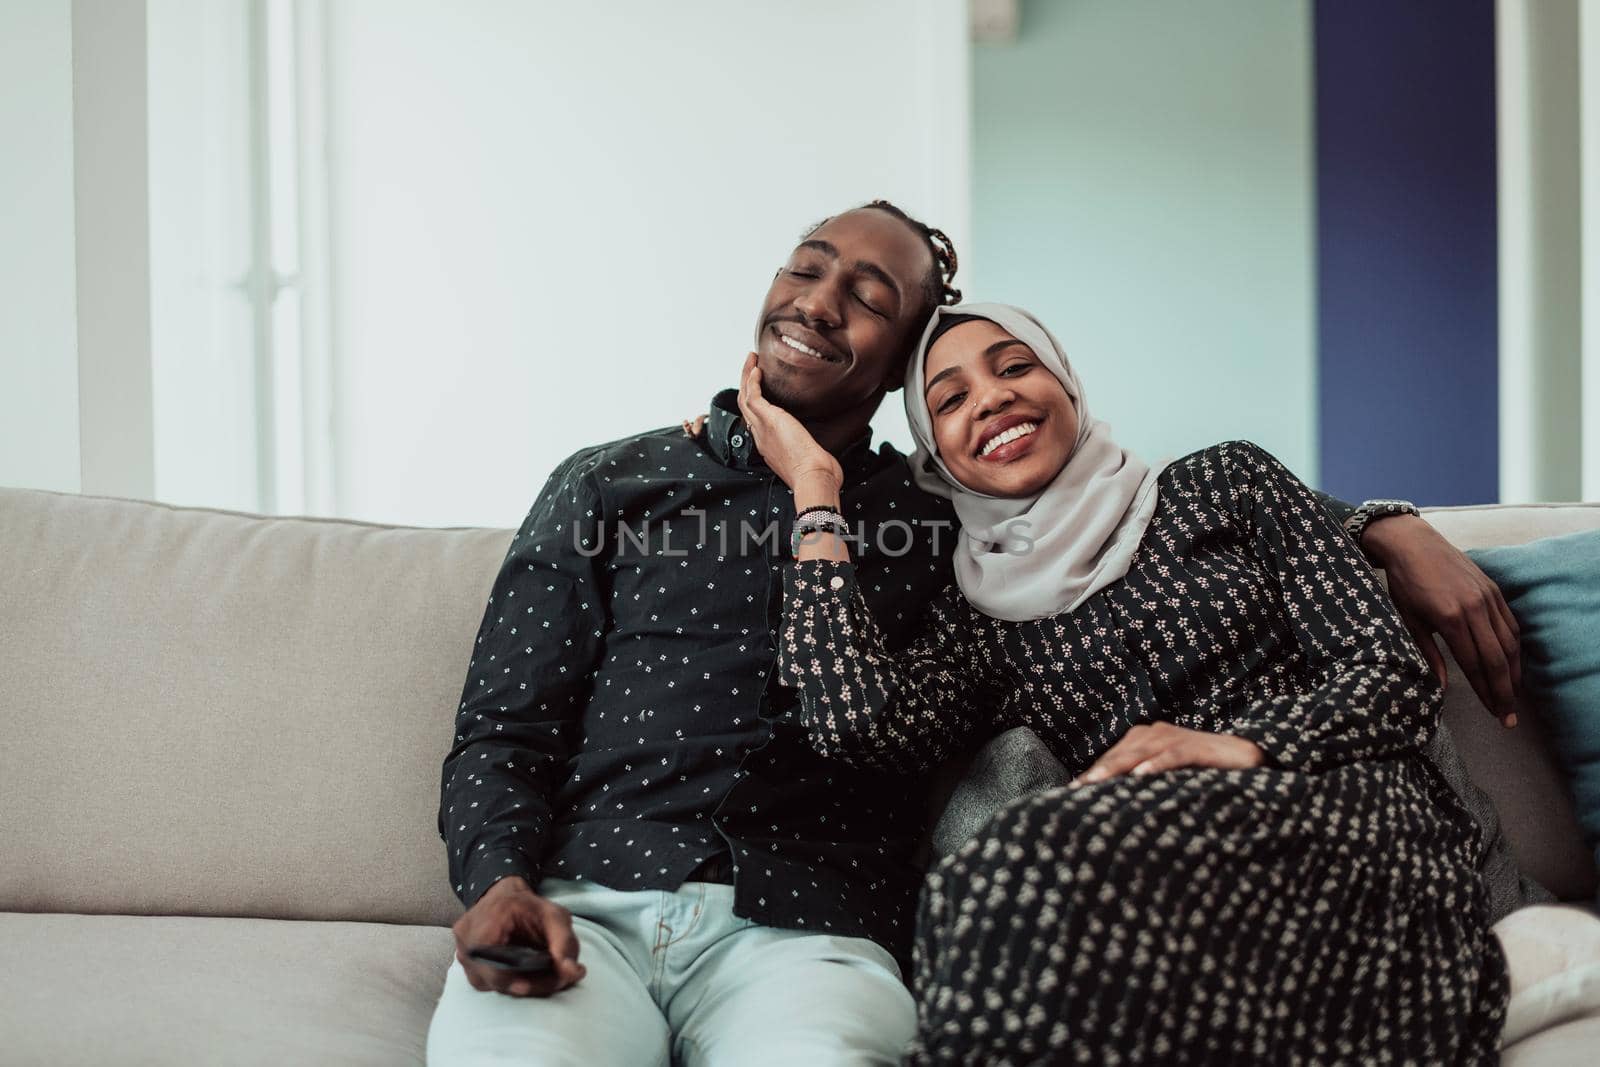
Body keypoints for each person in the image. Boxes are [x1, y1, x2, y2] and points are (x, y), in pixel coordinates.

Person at [426, 206, 1524, 1066]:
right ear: (934, 435)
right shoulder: (942, 576)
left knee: (997, 896)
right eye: (807, 266)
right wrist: (813, 493)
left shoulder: (1111, 503)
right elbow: (835, 720)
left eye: (1014, 364)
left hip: (1309, 820)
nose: (819, 302)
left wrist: (1380, 521)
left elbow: (1350, 646)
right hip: (600, 902)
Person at [746, 302, 1534, 1062]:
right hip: (1160, 873)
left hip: (1344, 806)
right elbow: (855, 721)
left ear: (1066, 383)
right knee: (993, 880)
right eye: (949, 400)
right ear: (936, 454)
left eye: (1016, 365)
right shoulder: (977, 617)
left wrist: (1239, 746)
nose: (991, 398)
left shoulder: (1225, 482)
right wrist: (817, 491)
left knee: (1025, 861)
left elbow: (1390, 674)